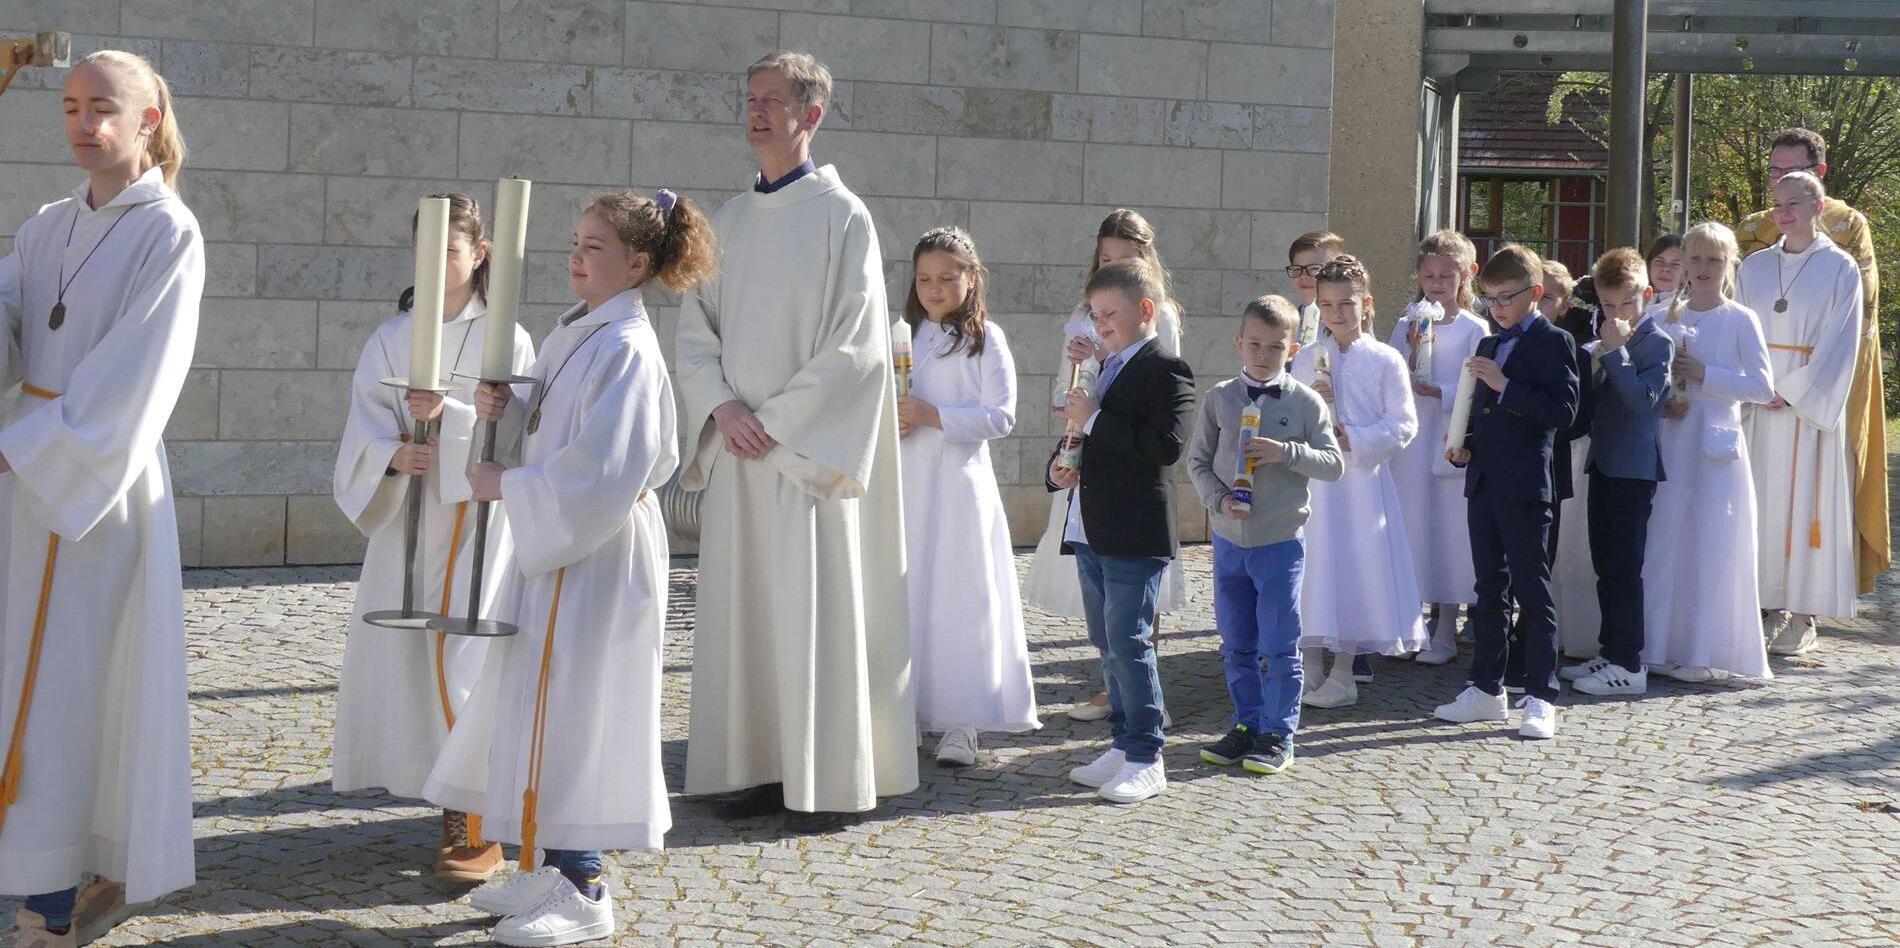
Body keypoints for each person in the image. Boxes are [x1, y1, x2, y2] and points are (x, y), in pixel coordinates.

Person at [424, 189, 715, 946]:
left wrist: (507, 484)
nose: (575, 258)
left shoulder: (628, 348)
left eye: (594, 247)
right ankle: (548, 863)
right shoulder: (575, 331)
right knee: (539, 702)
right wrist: (508, 414)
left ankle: (585, 886)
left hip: (599, 550)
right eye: (576, 242)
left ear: (638, 264)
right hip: (559, 549)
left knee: (581, 709)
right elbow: (556, 431)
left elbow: (604, 472)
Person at [674, 51, 917, 832]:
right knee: (748, 614)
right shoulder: (729, 221)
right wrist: (721, 409)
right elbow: (692, 332)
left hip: (806, 460)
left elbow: (859, 348)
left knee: (810, 612)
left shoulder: (844, 217)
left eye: (772, 100)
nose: (755, 112)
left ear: (811, 116)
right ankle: (751, 766)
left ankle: (822, 779)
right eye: (749, 98)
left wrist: (772, 424)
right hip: (743, 455)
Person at [0, 50, 201, 944]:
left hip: (92, 485)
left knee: (67, 688)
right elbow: (14, 321)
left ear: (149, 119)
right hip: (22, 472)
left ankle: (46, 898)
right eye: (72, 106)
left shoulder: (168, 233)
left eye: (104, 108)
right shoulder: (46, 222)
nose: (85, 124)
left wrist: (22, 451)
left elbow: (135, 381)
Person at [332, 192, 535, 883]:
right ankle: (434, 788)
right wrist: (394, 455)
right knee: (409, 665)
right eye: (423, 250)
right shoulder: (392, 337)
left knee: (467, 662)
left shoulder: (508, 336)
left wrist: (446, 423)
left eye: (447, 250)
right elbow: (363, 426)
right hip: (409, 522)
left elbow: (522, 431)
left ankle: (473, 813)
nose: (435, 263)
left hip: (479, 522)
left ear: (480, 255)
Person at [1022, 208, 1188, 723]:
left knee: (1132, 615)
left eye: (1121, 259)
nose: (1101, 322)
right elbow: (1073, 400)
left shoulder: (1160, 348)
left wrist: (1094, 409)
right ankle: (1118, 703)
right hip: (1089, 483)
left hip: (1130, 487)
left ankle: (1141, 727)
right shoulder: (1090, 323)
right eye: (1104, 257)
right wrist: (1079, 367)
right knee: (1104, 618)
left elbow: (1159, 418)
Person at [895, 227, 1040, 767]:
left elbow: (1001, 415)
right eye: (925, 278)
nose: (934, 289)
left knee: (959, 593)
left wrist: (934, 417)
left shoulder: (986, 339)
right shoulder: (904, 334)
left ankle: (962, 721)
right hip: (909, 481)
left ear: (971, 277)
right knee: (911, 592)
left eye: (947, 278)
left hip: (959, 483)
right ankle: (906, 710)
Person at [1051, 261, 1195, 805]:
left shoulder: (1166, 369)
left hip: (1133, 530)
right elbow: (1087, 432)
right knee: (1107, 641)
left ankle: (1147, 756)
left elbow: (1165, 447)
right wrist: (1061, 465)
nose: (1100, 324)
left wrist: (1090, 420)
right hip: (1091, 524)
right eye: (1095, 314)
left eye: (1110, 314)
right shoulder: (1104, 365)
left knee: (1132, 643)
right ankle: (1120, 742)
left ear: (1146, 311)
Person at [1189, 296, 1343, 774]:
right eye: (1254, 344)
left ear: (1292, 348)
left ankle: (1279, 732)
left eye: (1274, 347)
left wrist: (1286, 451)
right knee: (1236, 640)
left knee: (1279, 641)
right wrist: (1219, 501)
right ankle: (1245, 724)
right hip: (1229, 540)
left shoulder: (1304, 401)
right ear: (1239, 342)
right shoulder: (1219, 398)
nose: (1262, 355)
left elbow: (1334, 464)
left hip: (1279, 541)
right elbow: (1196, 462)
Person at [1435, 244, 1579, 740]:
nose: (1496, 308)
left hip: (1527, 484)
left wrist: (1504, 384)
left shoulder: (1554, 341)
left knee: (1531, 589)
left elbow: (1565, 412)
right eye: (1489, 298)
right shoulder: (1491, 344)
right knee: (1488, 589)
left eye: (1507, 297)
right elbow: (1481, 414)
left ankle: (1540, 694)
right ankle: (1485, 688)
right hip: (1485, 480)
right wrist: (1465, 446)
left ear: (1535, 294)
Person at [1736, 128, 1887, 595]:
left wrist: (1802, 388)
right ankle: (1758, 598)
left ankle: (1806, 601)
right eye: (1774, 173)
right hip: (1759, 387)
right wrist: (1750, 382)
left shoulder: (1847, 231)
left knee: (1811, 495)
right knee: (1757, 493)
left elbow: (1859, 313)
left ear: (1818, 177)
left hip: (1817, 381)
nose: (1780, 188)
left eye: (1792, 173)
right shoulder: (1752, 234)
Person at [1642, 222, 1776, 682]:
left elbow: (1762, 387)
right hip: (1669, 444)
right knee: (1663, 542)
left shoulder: (1741, 319)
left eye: (1713, 261)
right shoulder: (1661, 317)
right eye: (1695, 259)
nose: (1702, 269)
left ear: (1729, 266)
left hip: (1716, 450)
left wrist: (1706, 374)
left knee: (1710, 545)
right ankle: (1656, 644)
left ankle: (1701, 652)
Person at [1736, 171, 1863, 656]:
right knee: (1761, 502)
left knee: (1804, 503)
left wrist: (1793, 391)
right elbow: (1740, 327)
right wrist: (1755, 384)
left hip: (1806, 405)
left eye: (1793, 203)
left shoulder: (1840, 268)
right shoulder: (1754, 267)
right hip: (1759, 400)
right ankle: (1765, 606)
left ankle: (1803, 612)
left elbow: (1841, 342)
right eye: (1777, 204)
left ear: (1817, 205)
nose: (1783, 212)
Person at [1290, 256, 1424, 708]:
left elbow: (1404, 424)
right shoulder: (1307, 359)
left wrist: (1357, 439)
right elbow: (1290, 417)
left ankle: (1344, 671)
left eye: (1345, 304)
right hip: (1315, 484)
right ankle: (1308, 665)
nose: (1336, 314)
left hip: (1361, 485)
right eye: (1326, 305)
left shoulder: (1385, 359)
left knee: (1352, 565)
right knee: (1313, 566)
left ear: (1365, 304)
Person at [1560, 248, 1673, 698]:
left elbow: (1643, 402)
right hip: (1604, 462)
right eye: (1608, 305)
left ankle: (1630, 662)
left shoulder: (1656, 342)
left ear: (1645, 295)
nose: (1617, 313)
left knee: (1626, 567)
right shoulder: (1607, 339)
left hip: (1635, 469)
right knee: (1604, 563)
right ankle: (1611, 649)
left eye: (1626, 302)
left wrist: (1615, 354)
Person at [1388, 230, 1487, 665]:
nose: (1437, 283)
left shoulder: (1474, 327)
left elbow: (1476, 386)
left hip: (1449, 434)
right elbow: (1389, 372)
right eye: (1429, 274)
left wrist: (1438, 391)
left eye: (1447, 275)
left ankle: (1446, 626)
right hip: (1411, 439)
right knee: (1413, 527)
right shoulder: (1405, 323)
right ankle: (1409, 623)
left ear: (1466, 276)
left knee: (1448, 530)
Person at [1284, 230, 1346, 362]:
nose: (1303, 277)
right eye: (1297, 269)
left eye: (1314, 269)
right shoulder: (1287, 324)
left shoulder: (1349, 323)